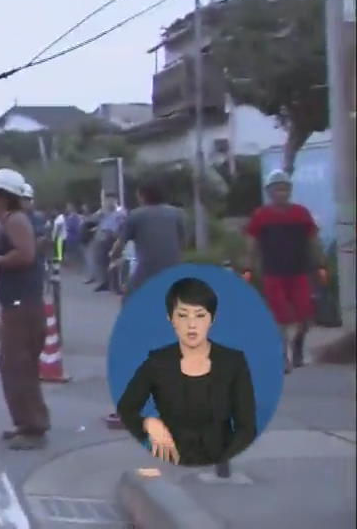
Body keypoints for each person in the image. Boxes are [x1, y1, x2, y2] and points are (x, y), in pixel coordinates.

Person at [116, 278, 257, 466]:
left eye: (200, 315)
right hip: (169, 464)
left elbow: (246, 428)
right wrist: (148, 423)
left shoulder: (233, 363)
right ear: (171, 318)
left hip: (220, 464)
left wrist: (224, 464)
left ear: (211, 319)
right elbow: (125, 410)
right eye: (183, 315)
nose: (192, 325)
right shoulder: (157, 363)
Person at [0, 168, 50, 450]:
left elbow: (25, 255)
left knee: (17, 366)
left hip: (22, 304)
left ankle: (32, 428)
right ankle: (27, 423)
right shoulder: (10, 220)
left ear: (2, 196)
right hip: (20, 303)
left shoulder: (15, 221)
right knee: (19, 366)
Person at [244, 170, 326, 371]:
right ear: (269, 192)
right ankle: (283, 358)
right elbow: (252, 243)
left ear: (289, 190)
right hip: (273, 273)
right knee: (280, 319)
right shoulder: (261, 215)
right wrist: (247, 267)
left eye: (284, 188)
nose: (281, 193)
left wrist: (320, 264)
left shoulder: (301, 213)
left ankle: (297, 350)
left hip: (299, 271)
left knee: (305, 318)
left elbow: (312, 240)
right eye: (276, 189)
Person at [111, 181, 186, 299]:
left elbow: (121, 242)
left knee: (128, 297)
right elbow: (182, 239)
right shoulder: (176, 213)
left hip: (148, 268)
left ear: (143, 196)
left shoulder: (136, 215)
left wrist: (113, 255)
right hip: (174, 266)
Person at [88, 194, 127, 293]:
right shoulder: (103, 212)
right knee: (101, 261)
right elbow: (92, 220)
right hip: (102, 238)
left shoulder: (120, 212)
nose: (108, 202)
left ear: (115, 200)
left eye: (110, 200)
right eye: (106, 200)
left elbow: (122, 224)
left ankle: (116, 285)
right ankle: (105, 282)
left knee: (114, 261)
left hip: (113, 238)